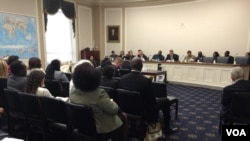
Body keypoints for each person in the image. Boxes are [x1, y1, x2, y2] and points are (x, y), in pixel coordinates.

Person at [70, 62, 128, 141]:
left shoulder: (73, 91)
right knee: (124, 116)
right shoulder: (99, 93)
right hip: (99, 130)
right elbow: (114, 110)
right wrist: (112, 102)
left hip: (81, 126)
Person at [118, 57, 177, 134]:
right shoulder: (146, 81)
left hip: (125, 108)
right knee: (165, 101)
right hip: (141, 110)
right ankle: (167, 127)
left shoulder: (122, 78)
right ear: (141, 67)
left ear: (131, 66)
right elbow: (152, 101)